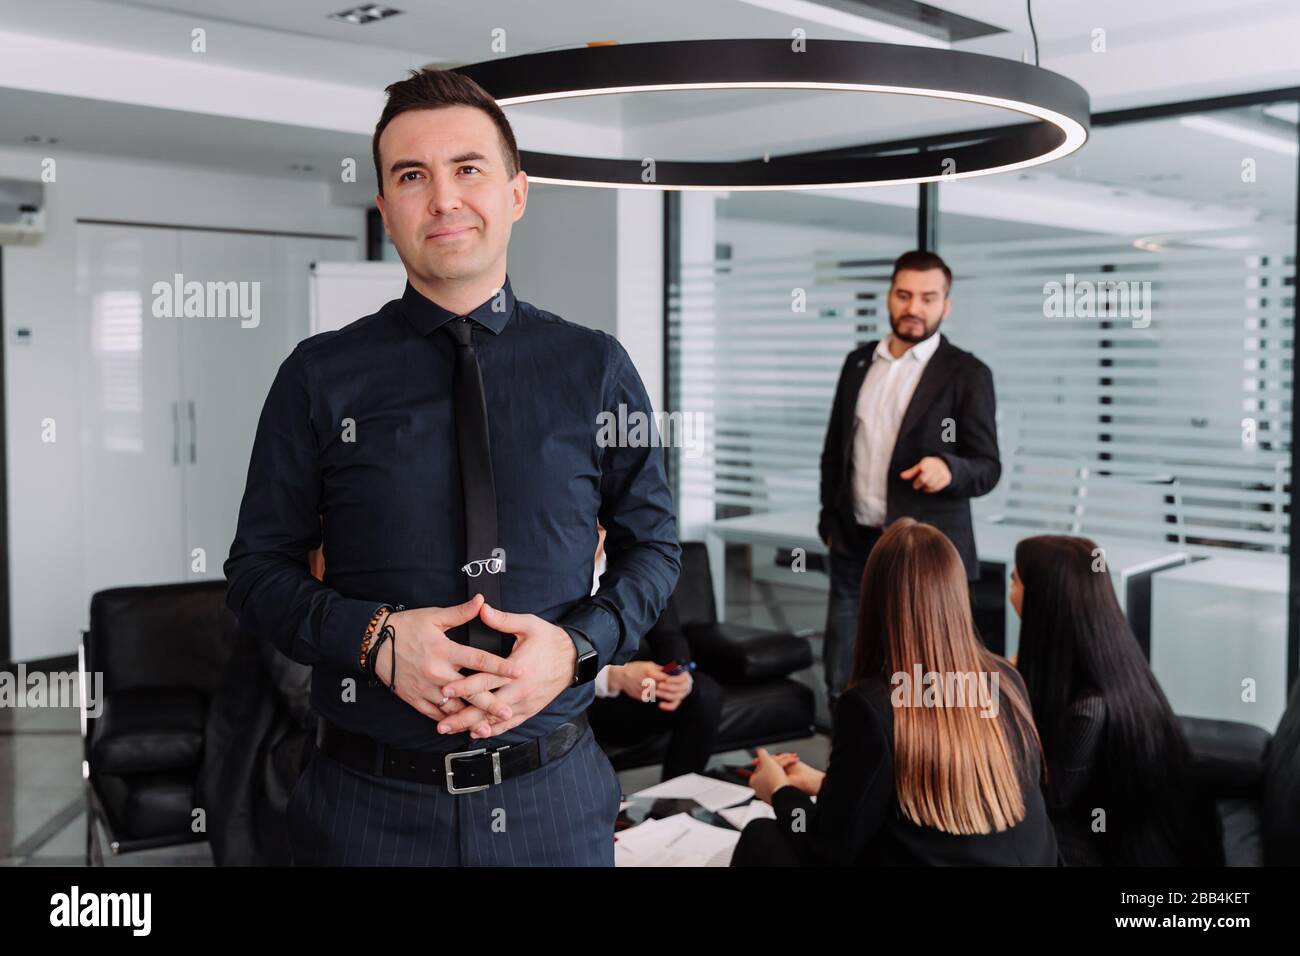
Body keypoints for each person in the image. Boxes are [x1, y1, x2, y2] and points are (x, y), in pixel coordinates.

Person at [223, 68, 681, 866]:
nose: (443, 198)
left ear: (516, 193)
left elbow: (655, 548)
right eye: (412, 176)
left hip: (555, 803)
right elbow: (255, 572)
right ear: (386, 212)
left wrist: (579, 648)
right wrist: (371, 639)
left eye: (468, 168)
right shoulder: (318, 375)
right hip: (366, 811)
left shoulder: (596, 367)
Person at [731, 518, 1058, 866]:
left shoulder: (871, 706)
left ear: (873, 601)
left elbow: (828, 847)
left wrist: (778, 791)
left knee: (761, 837)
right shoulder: (1005, 679)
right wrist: (826, 784)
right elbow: (934, 799)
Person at [818, 251, 1001, 713]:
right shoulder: (858, 363)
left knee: (925, 681)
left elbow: (987, 466)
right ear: (889, 296)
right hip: (854, 545)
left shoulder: (967, 373)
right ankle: (846, 774)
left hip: (926, 551)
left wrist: (949, 469)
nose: (913, 308)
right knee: (844, 672)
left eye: (927, 297)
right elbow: (836, 449)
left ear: (946, 305)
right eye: (904, 295)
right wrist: (829, 519)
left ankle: (918, 778)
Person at [1010, 535, 1224, 866]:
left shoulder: (1090, 708)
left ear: (1042, 600)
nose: (1011, 589)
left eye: (1015, 579)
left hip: (1114, 849)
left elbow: (1050, 801)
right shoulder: (1109, 662)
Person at [587, 525, 723, 781]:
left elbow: (669, 635)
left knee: (704, 694)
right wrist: (615, 677)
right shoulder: (554, 576)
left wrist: (676, 674)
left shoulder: (635, 564)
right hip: (576, 699)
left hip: (634, 696)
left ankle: (673, 807)